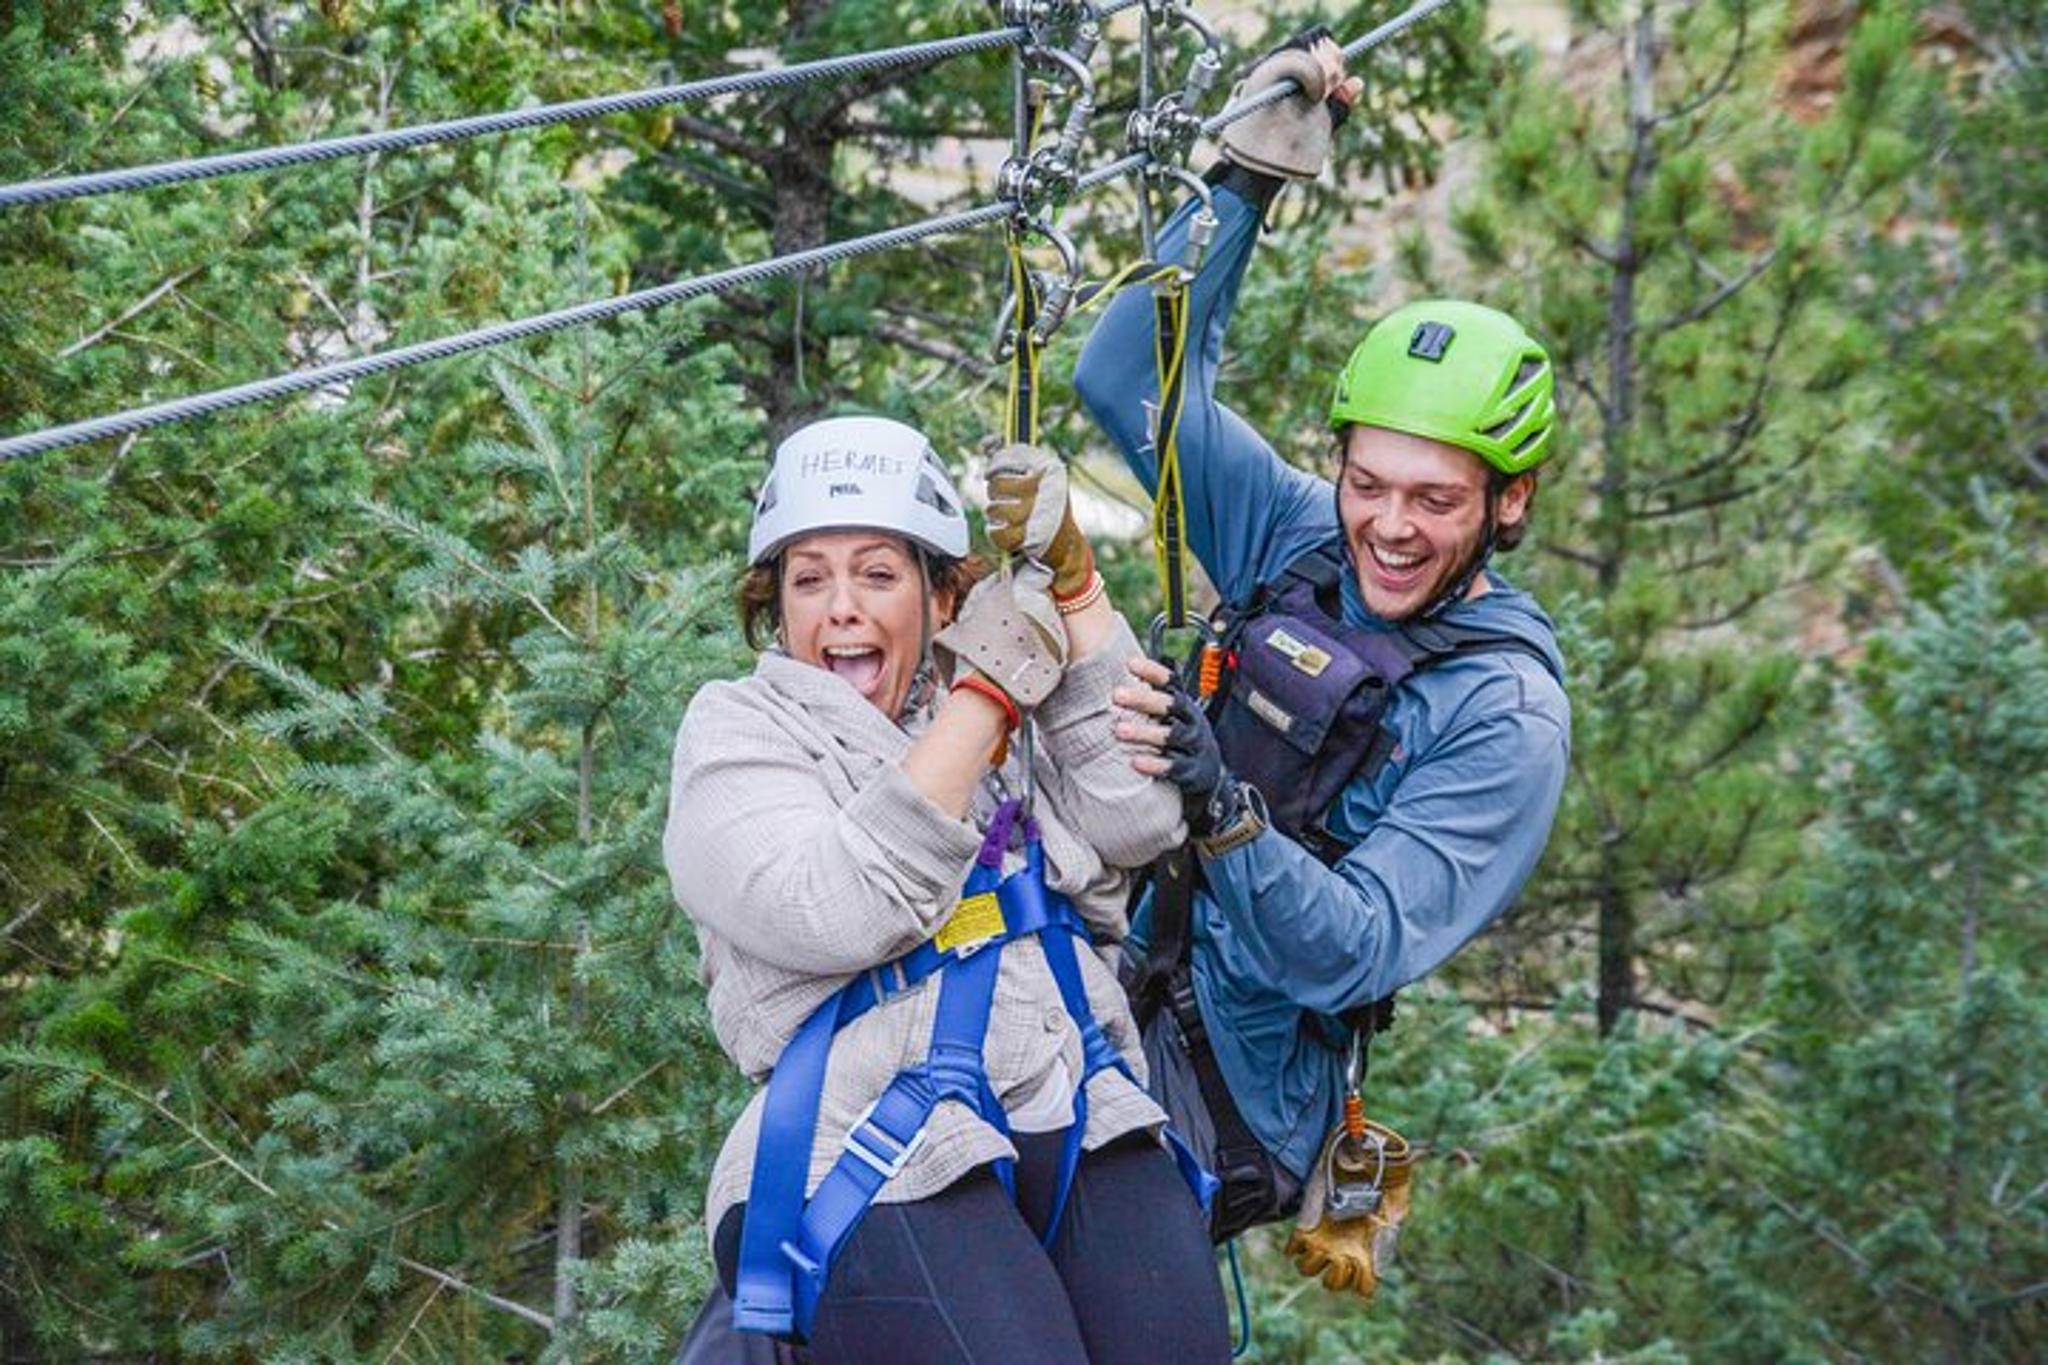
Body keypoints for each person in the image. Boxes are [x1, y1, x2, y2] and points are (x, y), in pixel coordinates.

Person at [1072, 32, 1573, 1280]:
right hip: (1115, 963)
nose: (1388, 528)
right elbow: (1126, 376)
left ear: (1507, 503)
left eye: (1435, 500)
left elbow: (1351, 947)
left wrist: (1218, 806)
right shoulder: (1296, 538)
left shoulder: (1500, 713)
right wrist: (1246, 180)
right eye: (1368, 483)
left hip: (1232, 1082)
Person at [664, 415, 1228, 1363]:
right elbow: (831, 906)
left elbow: (1139, 818)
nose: (842, 608)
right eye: (810, 580)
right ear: (778, 606)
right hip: (857, 1140)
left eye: (878, 574)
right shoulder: (739, 731)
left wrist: (1077, 593)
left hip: (1070, 1093)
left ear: (939, 596)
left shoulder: (997, 708)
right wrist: (985, 700)